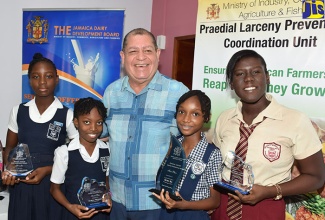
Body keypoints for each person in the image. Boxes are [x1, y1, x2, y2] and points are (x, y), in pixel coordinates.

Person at [211, 49, 325, 220]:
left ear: (267, 77)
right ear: (232, 84)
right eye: (240, 74)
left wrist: (271, 191)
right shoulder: (225, 119)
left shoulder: (294, 120)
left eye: (256, 72)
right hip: (223, 205)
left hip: (266, 207)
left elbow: (316, 177)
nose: (248, 78)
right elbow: (216, 164)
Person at [102, 28, 189, 220]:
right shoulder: (111, 92)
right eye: (133, 51)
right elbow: (100, 134)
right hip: (117, 201)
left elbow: (190, 144)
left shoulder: (178, 92)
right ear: (123, 56)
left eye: (148, 50)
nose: (141, 57)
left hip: (158, 203)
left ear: (158, 54)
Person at [1, 52, 78, 220]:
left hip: (53, 187)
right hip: (21, 186)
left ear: (57, 79)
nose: (42, 82)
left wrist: (49, 170)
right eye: (36, 76)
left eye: (48, 76)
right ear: (29, 80)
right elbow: (10, 148)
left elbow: (76, 156)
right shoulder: (19, 111)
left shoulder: (67, 115)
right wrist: (9, 171)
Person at [152, 90, 222, 220]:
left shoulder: (212, 154)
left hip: (194, 215)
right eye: (181, 112)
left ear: (206, 117)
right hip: (165, 214)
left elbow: (215, 201)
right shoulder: (172, 145)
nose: (186, 119)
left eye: (195, 114)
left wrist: (184, 205)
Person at [50, 97, 111, 220]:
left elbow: (106, 181)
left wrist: (108, 197)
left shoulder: (106, 149)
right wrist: (70, 206)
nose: (93, 128)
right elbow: (54, 189)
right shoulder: (64, 152)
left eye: (99, 122)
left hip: (100, 215)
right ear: (76, 122)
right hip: (74, 214)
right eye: (87, 122)